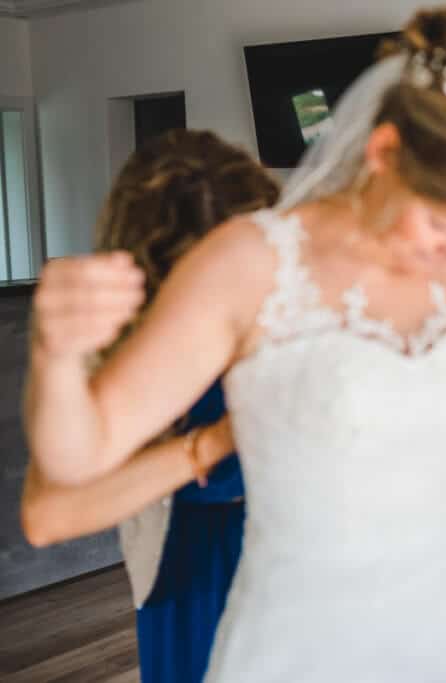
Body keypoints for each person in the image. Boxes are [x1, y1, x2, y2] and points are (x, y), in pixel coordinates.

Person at [23, 4, 446, 680]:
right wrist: (55, 355)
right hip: (303, 637)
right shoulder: (249, 263)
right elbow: (77, 457)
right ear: (384, 153)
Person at [21, 128, 280, 682]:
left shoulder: (296, 316)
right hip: (186, 569)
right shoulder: (119, 345)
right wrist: (211, 445)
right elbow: (47, 514)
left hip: (300, 564)